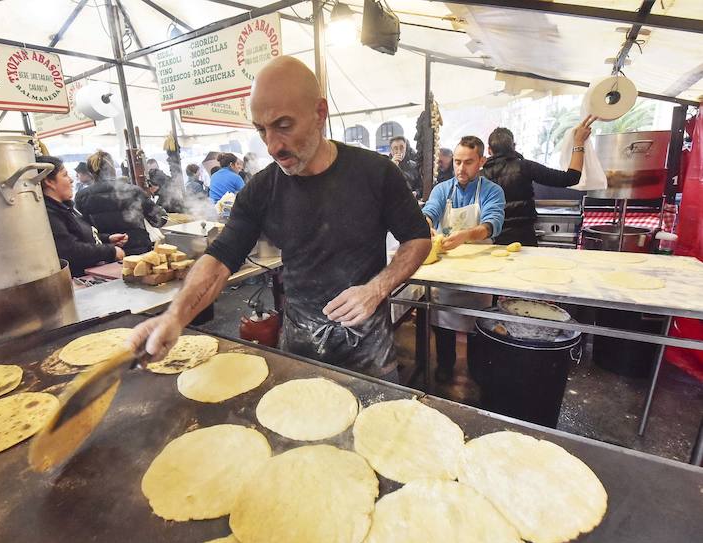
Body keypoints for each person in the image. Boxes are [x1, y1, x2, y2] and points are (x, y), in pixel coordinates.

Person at [129, 56, 431, 381]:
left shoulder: (376, 172)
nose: (273, 146)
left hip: (370, 348)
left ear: (319, 114)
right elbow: (219, 260)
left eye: (284, 126)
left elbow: (418, 238)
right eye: (262, 130)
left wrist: (376, 288)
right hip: (299, 347)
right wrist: (175, 316)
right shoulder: (261, 190)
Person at [421, 136, 505, 383]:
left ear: (481, 161)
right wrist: (426, 225)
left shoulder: (492, 191)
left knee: (477, 323)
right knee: (442, 319)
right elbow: (430, 211)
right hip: (447, 271)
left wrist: (467, 234)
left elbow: (492, 224)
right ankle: (445, 366)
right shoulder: (442, 189)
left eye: (468, 162)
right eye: (457, 161)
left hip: (478, 269)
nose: (460, 168)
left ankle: (477, 370)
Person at [482, 116, 596, 246]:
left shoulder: (481, 176)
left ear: (489, 150)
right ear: (513, 146)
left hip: (492, 239)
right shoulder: (525, 167)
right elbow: (571, 178)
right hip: (524, 238)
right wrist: (579, 142)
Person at [38, 155, 126, 274]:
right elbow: (70, 249)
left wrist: (107, 239)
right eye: (65, 175)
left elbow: (80, 235)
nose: (71, 180)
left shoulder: (65, 207)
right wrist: (110, 251)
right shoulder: (49, 214)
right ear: (49, 182)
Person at [76, 150, 167, 256]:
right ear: (112, 169)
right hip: (139, 252)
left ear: (91, 173)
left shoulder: (82, 196)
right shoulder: (133, 191)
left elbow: (87, 232)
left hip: (108, 254)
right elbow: (159, 219)